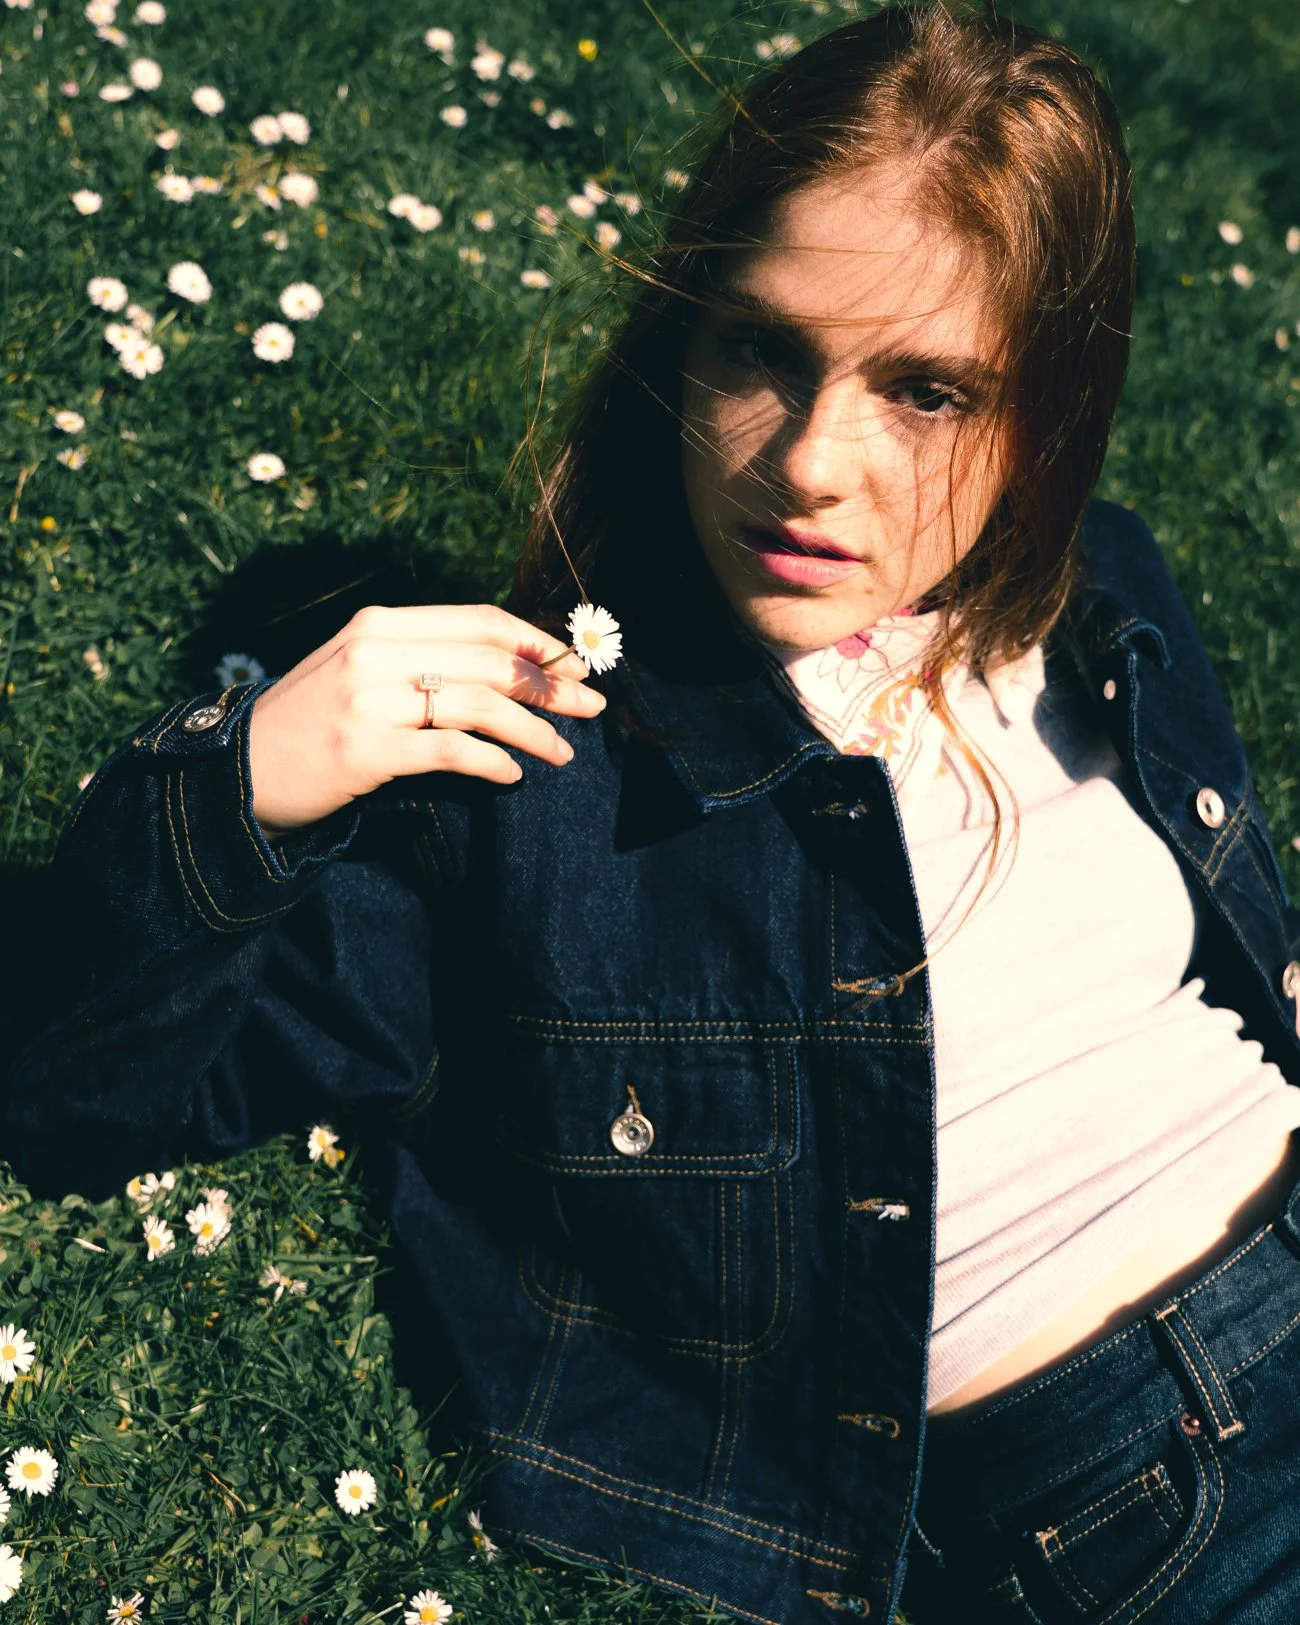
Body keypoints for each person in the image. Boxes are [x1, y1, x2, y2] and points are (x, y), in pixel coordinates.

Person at [6, 3, 1300, 1621]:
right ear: (679, 339)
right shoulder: (532, 783)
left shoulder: (1102, 589)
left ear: (1046, 410)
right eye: (763, 347)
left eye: (928, 391)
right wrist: (246, 782)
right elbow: (70, 1093)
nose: (816, 463)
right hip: (1126, 1489)